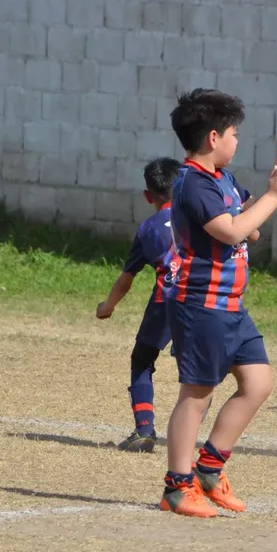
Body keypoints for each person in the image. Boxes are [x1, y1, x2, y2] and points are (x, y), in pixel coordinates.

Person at [160, 88, 277, 518]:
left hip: (231, 305)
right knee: (197, 393)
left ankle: (209, 469)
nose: (237, 140)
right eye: (234, 133)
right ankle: (177, 487)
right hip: (200, 305)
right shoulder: (193, 182)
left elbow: (246, 223)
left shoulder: (222, 178)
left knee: (258, 383)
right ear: (213, 137)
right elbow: (230, 230)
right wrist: (275, 196)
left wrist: (264, 201)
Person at [96, 157, 181, 453]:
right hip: (203, 299)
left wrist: (108, 305)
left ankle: (144, 428)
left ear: (147, 196)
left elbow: (127, 277)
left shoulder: (148, 229)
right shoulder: (202, 216)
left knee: (142, 361)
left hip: (165, 301)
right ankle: (189, 433)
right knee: (197, 372)